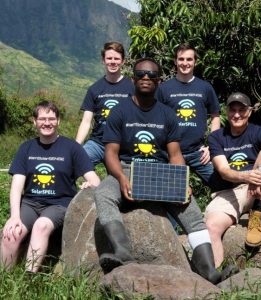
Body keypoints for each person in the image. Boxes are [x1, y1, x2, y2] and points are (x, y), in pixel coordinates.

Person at [94, 58, 235, 284]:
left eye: (151, 75)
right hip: (128, 168)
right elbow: (110, 153)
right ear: (133, 79)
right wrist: (120, 177)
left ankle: (209, 271)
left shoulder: (168, 115)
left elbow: (175, 155)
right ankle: (123, 253)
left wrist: (182, 181)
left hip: (161, 172)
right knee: (103, 193)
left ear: (159, 81)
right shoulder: (120, 111)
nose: (146, 78)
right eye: (141, 74)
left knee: (191, 212)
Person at [0, 101, 100, 273]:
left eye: (51, 118)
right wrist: (14, 216)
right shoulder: (26, 148)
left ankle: (28, 279)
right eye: (42, 119)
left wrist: (88, 184)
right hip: (30, 203)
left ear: (58, 121)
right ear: (35, 121)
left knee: (41, 226)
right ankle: (5, 279)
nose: (47, 123)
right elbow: (17, 186)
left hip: (59, 204)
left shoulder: (72, 148)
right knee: (11, 234)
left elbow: (95, 180)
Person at [205, 92, 261, 267]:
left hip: (257, 189)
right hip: (228, 191)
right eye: (232, 110)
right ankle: (216, 275)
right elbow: (223, 171)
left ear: (249, 112)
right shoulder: (216, 137)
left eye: (242, 110)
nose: (237, 115)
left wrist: (259, 171)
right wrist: (246, 176)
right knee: (211, 227)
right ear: (226, 112)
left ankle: (256, 215)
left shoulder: (258, 131)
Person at [156, 43, 220, 189]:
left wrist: (212, 146)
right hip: (170, 153)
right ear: (175, 61)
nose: (185, 63)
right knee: (170, 192)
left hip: (198, 152)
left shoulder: (205, 87)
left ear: (195, 62)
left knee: (222, 184)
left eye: (189, 59)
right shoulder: (163, 89)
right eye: (181, 59)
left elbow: (215, 116)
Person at [76, 41, 135, 165]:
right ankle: (92, 183)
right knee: (75, 163)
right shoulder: (94, 89)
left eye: (116, 58)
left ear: (123, 61)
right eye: (109, 58)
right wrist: (76, 147)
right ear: (103, 60)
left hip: (122, 146)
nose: (112, 62)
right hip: (97, 144)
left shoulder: (132, 88)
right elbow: (86, 122)